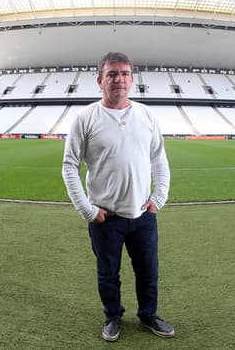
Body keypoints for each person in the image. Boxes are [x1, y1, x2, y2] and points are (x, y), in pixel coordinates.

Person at [62, 52, 174, 341]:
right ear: (100, 80)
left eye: (124, 73)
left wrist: (158, 198)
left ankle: (148, 315)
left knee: (148, 273)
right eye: (112, 74)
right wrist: (88, 210)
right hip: (105, 218)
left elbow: (159, 159)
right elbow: (69, 166)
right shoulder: (85, 118)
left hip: (143, 216)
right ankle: (113, 316)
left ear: (132, 79)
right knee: (108, 274)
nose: (119, 79)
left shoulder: (147, 114)